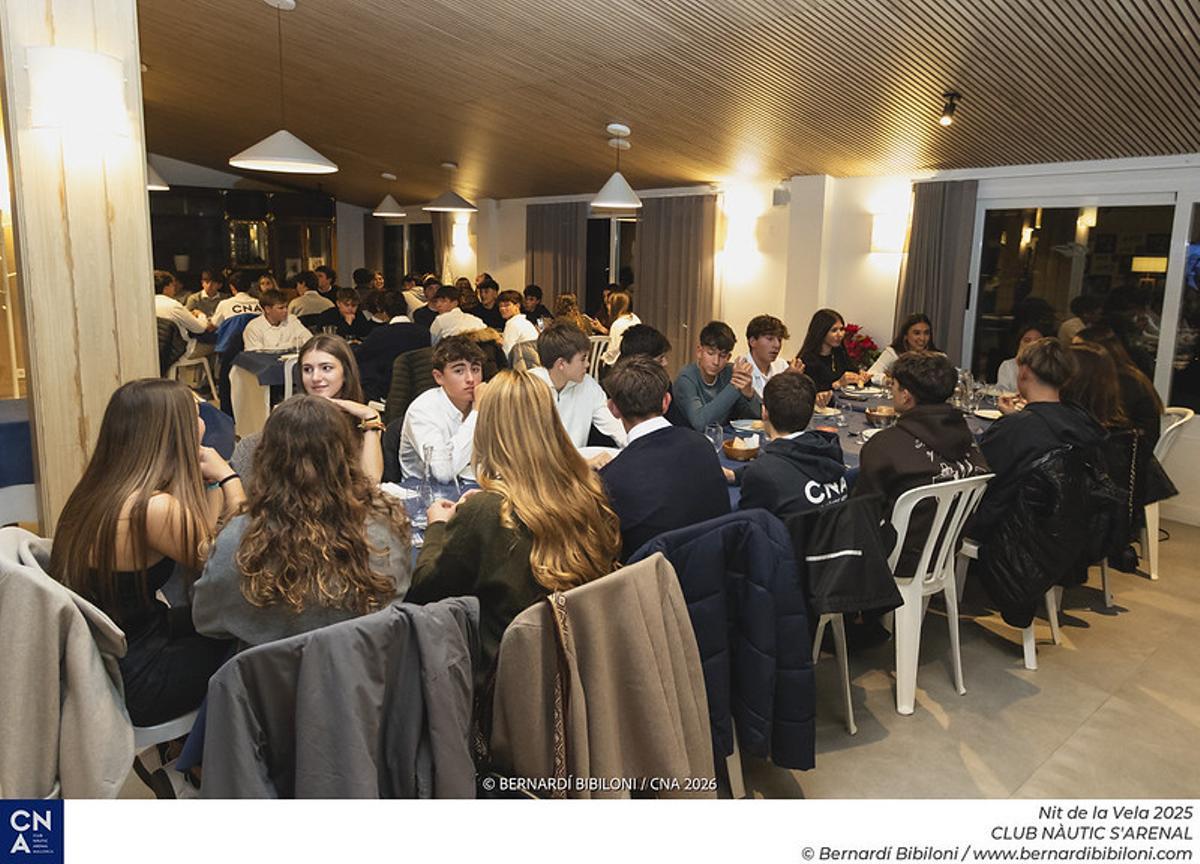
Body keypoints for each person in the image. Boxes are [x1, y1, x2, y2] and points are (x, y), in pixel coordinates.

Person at [405, 369, 621, 688]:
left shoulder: (489, 512)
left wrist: (437, 526)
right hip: (582, 664)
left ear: (490, 429)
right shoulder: (587, 489)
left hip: (509, 684)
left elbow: (423, 596)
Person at [50, 379, 244, 726]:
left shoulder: (102, 490)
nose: (203, 421)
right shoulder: (152, 509)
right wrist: (230, 479)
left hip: (115, 653)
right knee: (256, 642)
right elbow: (229, 564)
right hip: (143, 676)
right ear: (171, 430)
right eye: (195, 413)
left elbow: (203, 533)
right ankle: (201, 762)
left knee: (227, 623)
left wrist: (210, 479)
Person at [194, 396, 410, 647]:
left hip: (266, 681)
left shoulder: (238, 541)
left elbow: (206, 621)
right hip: (360, 675)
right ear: (346, 455)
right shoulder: (385, 524)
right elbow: (395, 603)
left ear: (264, 457)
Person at [853, 352, 989, 575]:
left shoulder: (885, 445)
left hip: (897, 559)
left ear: (906, 396)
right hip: (945, 550)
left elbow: (863, 514)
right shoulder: (967, 438)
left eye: (893, 386)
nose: (891, 392)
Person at [973, 338, 1105, 538]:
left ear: (1024, 371)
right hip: (1071, 531)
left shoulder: (1017, 429)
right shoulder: (1083, 421)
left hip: (1012, 531)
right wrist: (1015, 419)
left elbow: (981, 470)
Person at [600, 357, 730, 560]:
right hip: (713, 569)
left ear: (613, 409)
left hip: (653, 583)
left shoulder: (610, 479)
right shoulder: (703, 445)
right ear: (666, 402)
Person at [230, 334, 384, 483]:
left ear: (345, 373)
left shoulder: (362, 420)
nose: (315, 377)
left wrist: (370, 416)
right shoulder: (290, 419)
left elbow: (371, 482)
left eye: (326, 368)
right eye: (307, 370)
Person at [739, 371, 849, 517]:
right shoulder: (829, 450)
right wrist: (736, 475)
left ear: (764, 412)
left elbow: (748, 527)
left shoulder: (763, 472)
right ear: (810, 415)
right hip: (835, 538)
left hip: (790, 539)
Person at [529, 323, 627, 454]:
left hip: (576, 468)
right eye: (583, 358)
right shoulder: (527, 387)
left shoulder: (589, 386)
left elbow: (615, 427)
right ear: (561, 364)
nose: (588, 364)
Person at [399, 336, 485, 481]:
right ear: (439, 377)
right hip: (426, 492)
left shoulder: (486, 400)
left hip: (475, 485)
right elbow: (443, 472)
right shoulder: (422, 410)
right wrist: (477, 413)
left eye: (475, 369)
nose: (470, 379)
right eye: (459, 371)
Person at [1076, 324, 1164, 447]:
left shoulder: (1124, 381)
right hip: (1125, 444)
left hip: (1130, 449)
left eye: (1078, 349)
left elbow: (1109, 424)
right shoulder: (1125, 374)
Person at [673, 320, 762, 430]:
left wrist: (749, 394)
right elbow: (700, 423)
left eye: (723, 356)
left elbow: (758, 417)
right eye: (710, 353)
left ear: (728, 357)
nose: (716, 361)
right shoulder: (686, 378)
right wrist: (734, 386)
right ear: (699, 352)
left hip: (725, 438)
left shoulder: (730, 372)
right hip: (690, 440)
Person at [355, 290, 430, 401]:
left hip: (387, 391)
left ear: (383, 310)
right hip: (419, 390)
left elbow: (359, 357)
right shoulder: (424, 332)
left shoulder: (379, 334)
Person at [796, 308, 864, 392]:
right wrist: (838, 384)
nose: (840, 334)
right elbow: (811, 391)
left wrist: (861, 378)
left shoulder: (839, 353)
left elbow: (854, 373)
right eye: (834, 330)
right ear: (821, 332)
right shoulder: (808, 360)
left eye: (841, 329)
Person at [740, 314, 804, 397]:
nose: (777, 345)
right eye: (770, 339)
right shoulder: (741, 369)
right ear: (753, 341)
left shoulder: (781, 365)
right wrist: (783, 380)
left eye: (779, 340)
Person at [866, 313, 937, 385]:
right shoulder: (893, 353)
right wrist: (888, 380)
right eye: (917, 333)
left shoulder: (938, 357)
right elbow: (870, 374)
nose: (922, 338)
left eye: (926, 333)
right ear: (905, 335)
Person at [241, 289, 312, 352]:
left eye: (286, 307)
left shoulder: (291, 319)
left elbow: (309, 339)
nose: (286, 310)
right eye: (281, 308)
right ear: (267, 309)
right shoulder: (253, 327)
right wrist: (290, 345)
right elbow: (256, 354)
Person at [154, 269, 210, 340]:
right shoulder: (173, 306)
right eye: (173, 285)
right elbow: (200, 328)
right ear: (166, 288)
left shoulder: (146, 305)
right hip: (177, 349)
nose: (174, 289)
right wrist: (201, 315)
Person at [996, 321, 1052, 392]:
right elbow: (1001, 393)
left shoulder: (1049, 367)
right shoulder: (1008, 366)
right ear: (1019, 344)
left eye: (1038, 341)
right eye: (1027, 340)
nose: (1032, 344)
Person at [599, 291, 640, 366]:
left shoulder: (618, 324)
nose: (607, 306)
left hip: (619, 365)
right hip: (634, 362)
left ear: (616, 306)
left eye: (609, 303)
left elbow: (613, 352)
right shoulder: (635, 318)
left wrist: (602, 358)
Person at [498, 289, 539, 358]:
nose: (502, 309)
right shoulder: (526, 322)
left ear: (517, 306)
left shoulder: (512, 324)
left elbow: (507, 352)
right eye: (500, 306)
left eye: (507, 305)